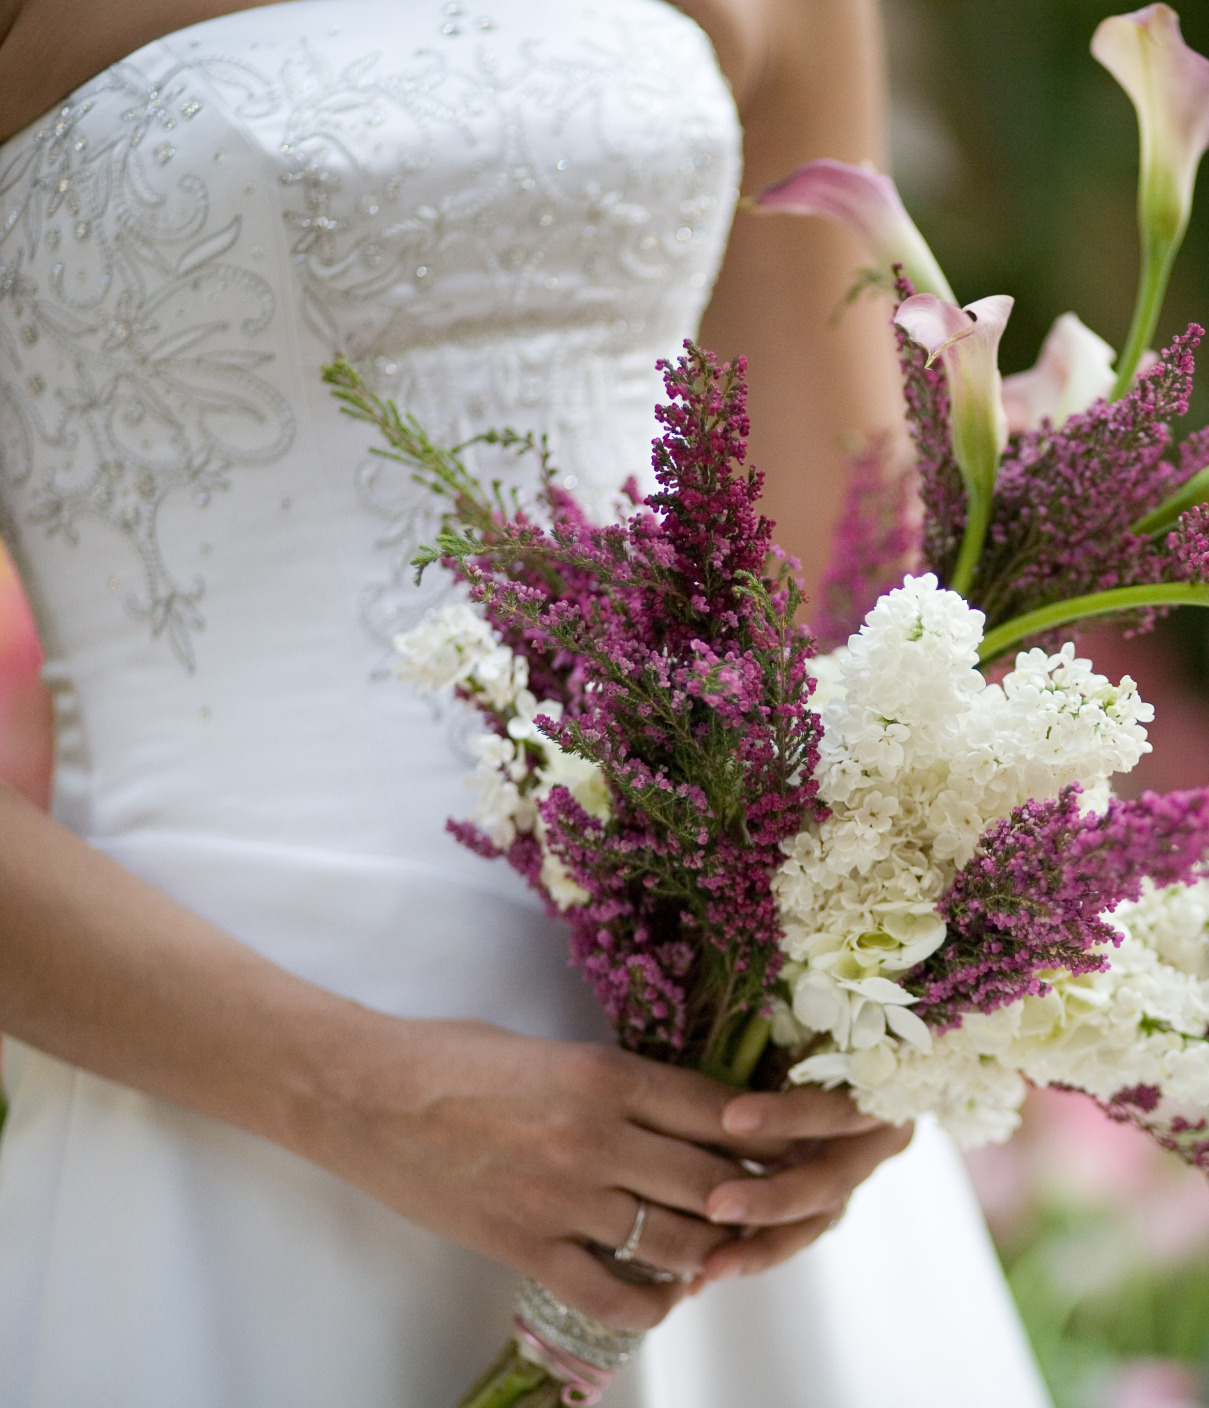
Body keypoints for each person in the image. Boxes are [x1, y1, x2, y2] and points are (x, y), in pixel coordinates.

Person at [0, 0, 1052, 1403]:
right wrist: (360, 1094)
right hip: (214, 1116)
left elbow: (848, 610)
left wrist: (858, 1024)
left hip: (712, 1134)